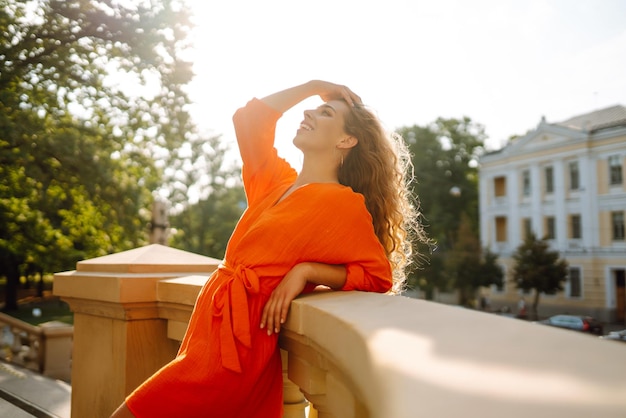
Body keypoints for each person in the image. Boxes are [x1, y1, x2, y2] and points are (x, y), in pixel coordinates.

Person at [111, 80, 426, 418]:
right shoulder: (275, 181)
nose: (309, 111)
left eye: (326, 112)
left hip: (236, 352)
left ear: (346, 140)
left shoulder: (344, 205)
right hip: (206, 334)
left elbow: (377, 277)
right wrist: (314, 86)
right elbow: (249, 119)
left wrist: (306, 272)